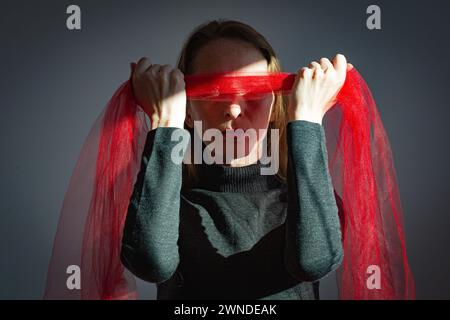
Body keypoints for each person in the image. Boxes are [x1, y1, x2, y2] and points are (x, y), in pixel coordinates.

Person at [120, 19, 349, 299]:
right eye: (213, 92)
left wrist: (306, 121)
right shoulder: (163, 200)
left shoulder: (308, 196)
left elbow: (314, 262)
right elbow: (150, 263)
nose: (233, 109)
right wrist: (166, 121)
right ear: (187, 110)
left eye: (253, 92)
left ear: (275, 103)